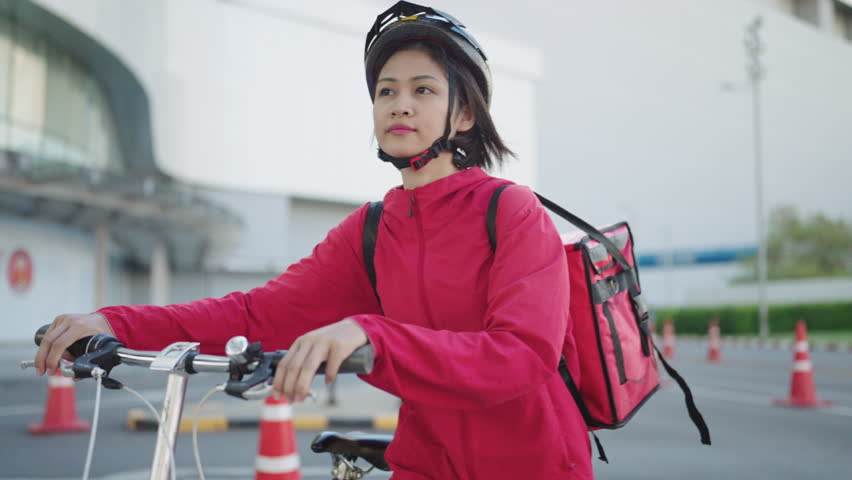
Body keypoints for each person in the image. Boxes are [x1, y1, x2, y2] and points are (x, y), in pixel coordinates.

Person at [34, 2, 593, 478]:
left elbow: (523, 356)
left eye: (424, 89)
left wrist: (372, 335)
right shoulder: (371, 231)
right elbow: (256, 314)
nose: (401, 103)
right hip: (426, 464)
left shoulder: (510, 210)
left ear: (464, 112)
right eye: (386, 90)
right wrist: (115, 323)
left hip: (535, 462)